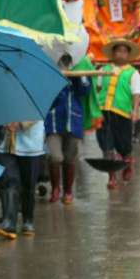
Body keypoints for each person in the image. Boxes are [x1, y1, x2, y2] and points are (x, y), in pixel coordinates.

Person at [94, 38, 140, 190]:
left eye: (124, 51)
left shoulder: (133, 73)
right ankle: (112, 177)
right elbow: (97, 90)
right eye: (118, 51)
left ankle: (128, 164)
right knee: (107, 145)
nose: (120, 54)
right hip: (103, 112)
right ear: (113, 53)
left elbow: (136, 94)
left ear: (128, 55)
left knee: (124, 146)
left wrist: (135, 111)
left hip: (122, 113)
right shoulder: (103, 70)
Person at [45, 54, 89, 205]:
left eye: (66, 59)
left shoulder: (79, 69)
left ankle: (68, 191)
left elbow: (85, 91)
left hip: (73, 119)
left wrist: (79, 77)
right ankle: (56, 188)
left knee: (70, 157)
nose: (64, 62)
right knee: (55, 156)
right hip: (53, 120)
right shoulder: (47, 70)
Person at [0, 120, 46, 236]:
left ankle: (28, 220)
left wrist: (21, 123)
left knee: (28, 185)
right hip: (5, 142)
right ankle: (9, 222)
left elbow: (38, 111)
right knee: (10, 181)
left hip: (31, 143)